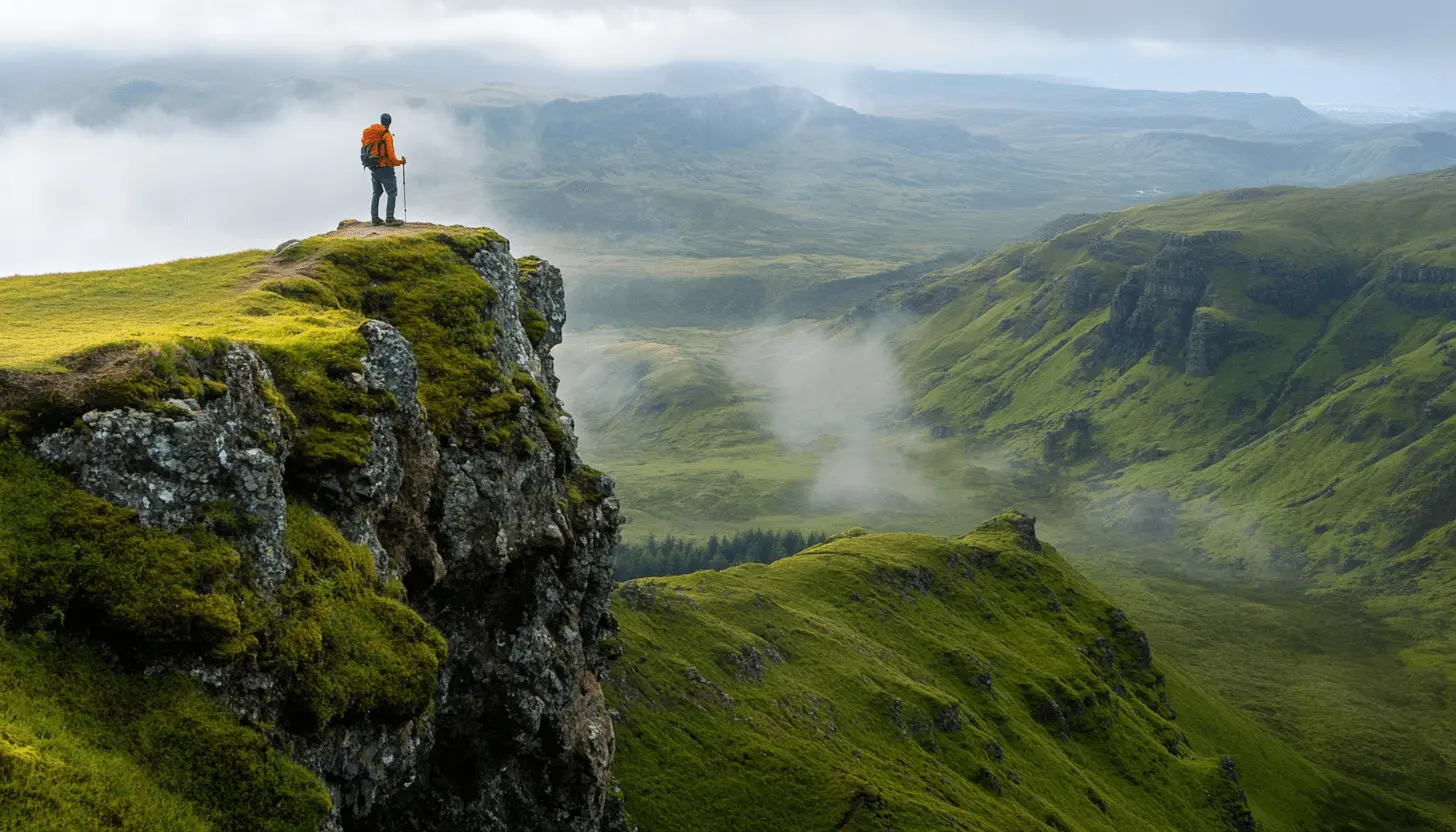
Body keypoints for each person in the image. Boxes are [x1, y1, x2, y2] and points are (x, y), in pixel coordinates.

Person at [361, 113, 406, 226]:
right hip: (385, 167)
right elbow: (390, 155)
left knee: (377, 192)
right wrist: (400, 162)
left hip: (373, 167)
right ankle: (390, 218)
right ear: (390, 122)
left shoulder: (372, 133)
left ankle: (375, 218)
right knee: (392, 192)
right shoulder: (386, 135)